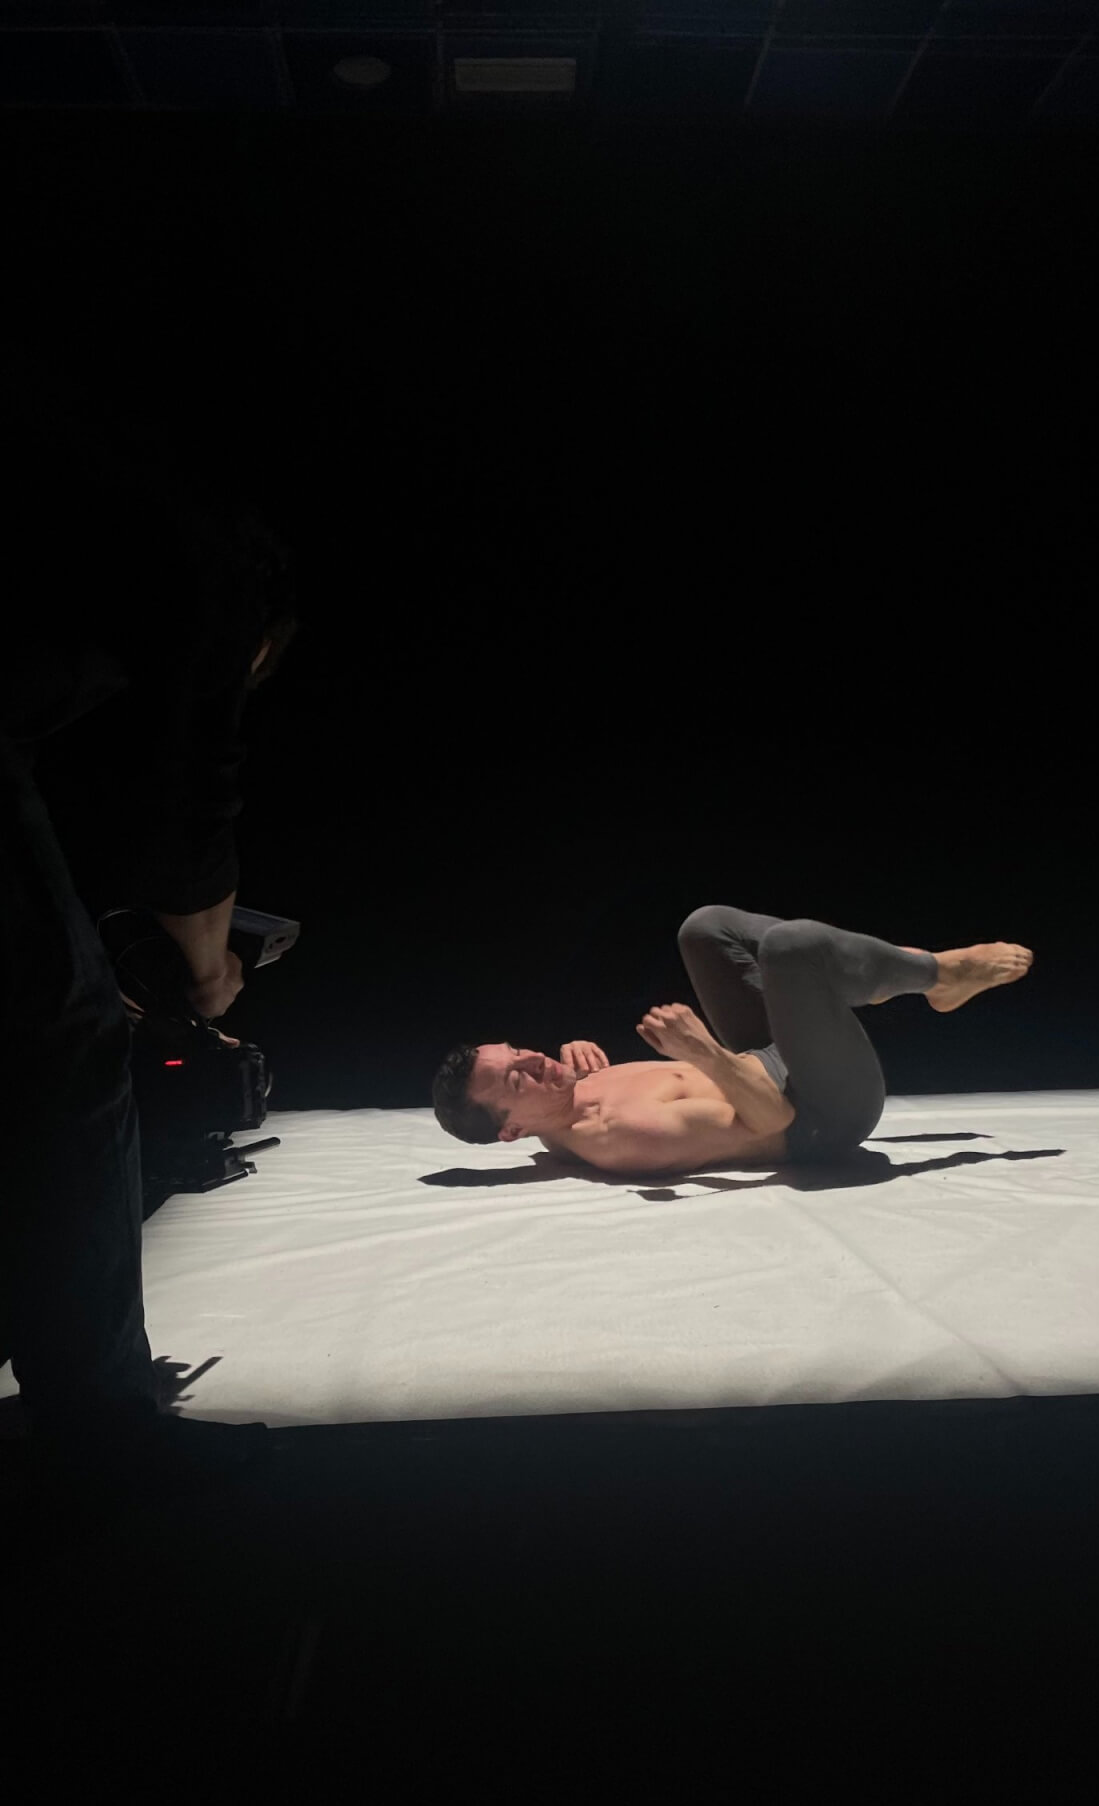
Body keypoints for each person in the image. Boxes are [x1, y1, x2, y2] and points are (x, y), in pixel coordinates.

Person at [1, 381, 298, 1519]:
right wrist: (210, 970)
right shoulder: (216, 567)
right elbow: (190, 810)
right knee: (66, 1046)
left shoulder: (92, 504)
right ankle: (101, 1427)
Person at [431, 912, 1034, 1175]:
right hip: (823, 1113)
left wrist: (567, 1065)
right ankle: (934, 975)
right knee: (792, 948)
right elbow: (772, 1120)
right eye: (518, 1076)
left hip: (762, 1063)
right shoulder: (624, 1136)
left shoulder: (556, 1107)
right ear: (510, 1130)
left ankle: (873, 974)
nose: (533, 1059)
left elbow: (553, 1127)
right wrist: (703, 1051)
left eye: (518, 1051)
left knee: (704, 928)